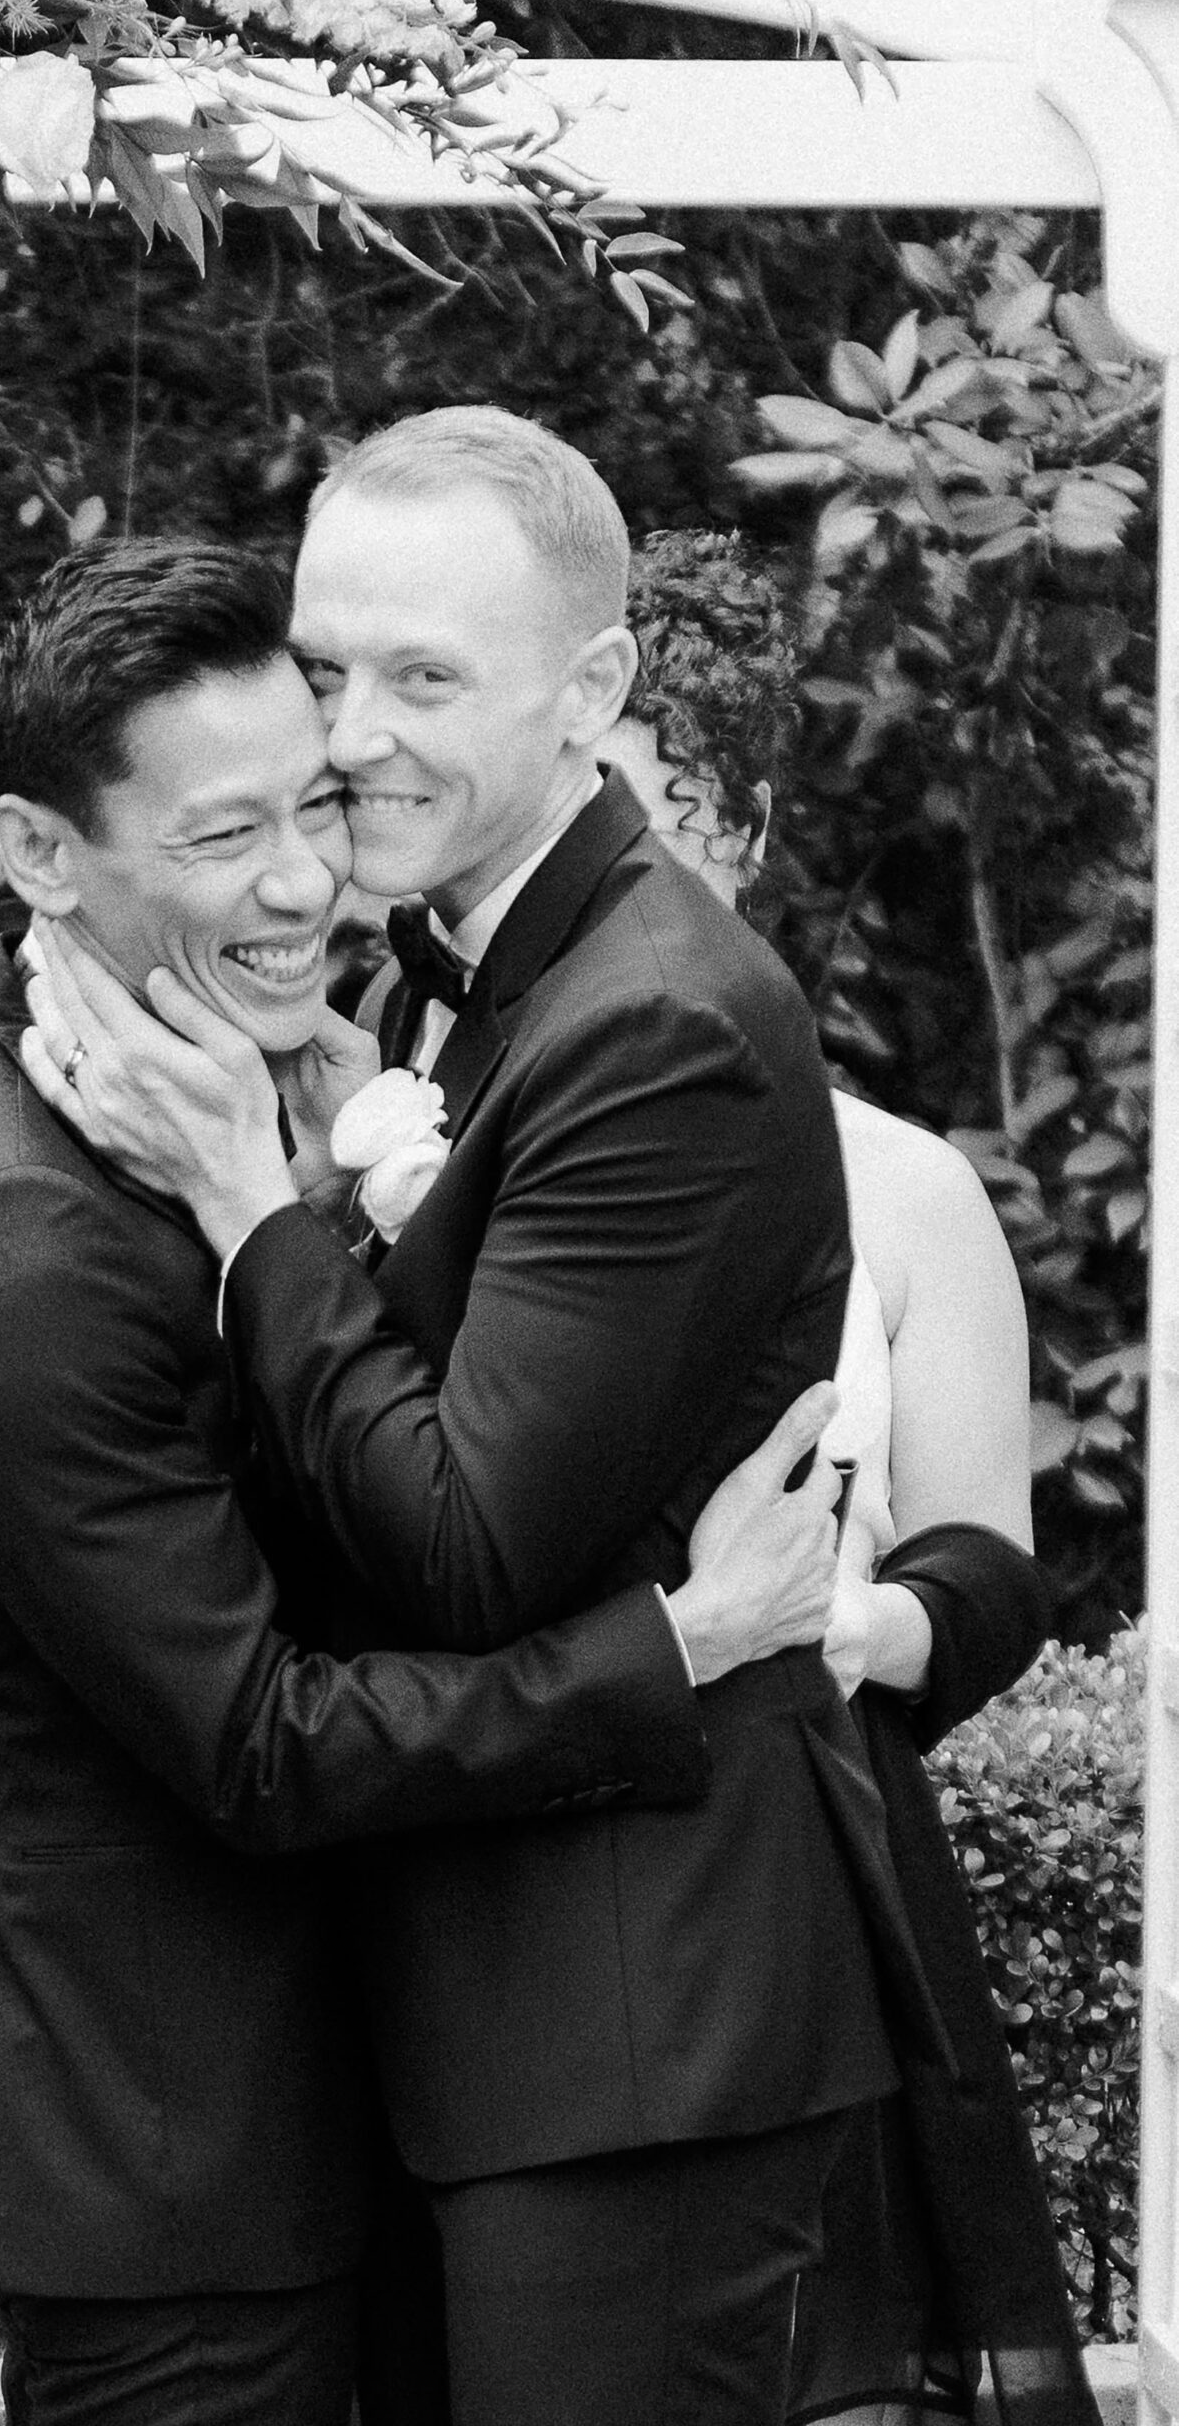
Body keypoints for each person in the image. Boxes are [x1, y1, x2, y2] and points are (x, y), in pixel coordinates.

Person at [0, 537, 848, 2426]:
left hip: (290, 2116)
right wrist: (682, 1643)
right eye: (226, 839)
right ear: (40, 855)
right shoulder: (27, 1248)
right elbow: (262, 1743)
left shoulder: (211, 1081)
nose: (307, 880)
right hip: (159, 2159)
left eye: (313, 804)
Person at [599, 525, 1102, 2426]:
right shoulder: (390, 1126)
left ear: (723, 831)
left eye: (622, 809)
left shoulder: (894, 1181)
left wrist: (843, 1622)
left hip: (796, 1876)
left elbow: (993, 1576)